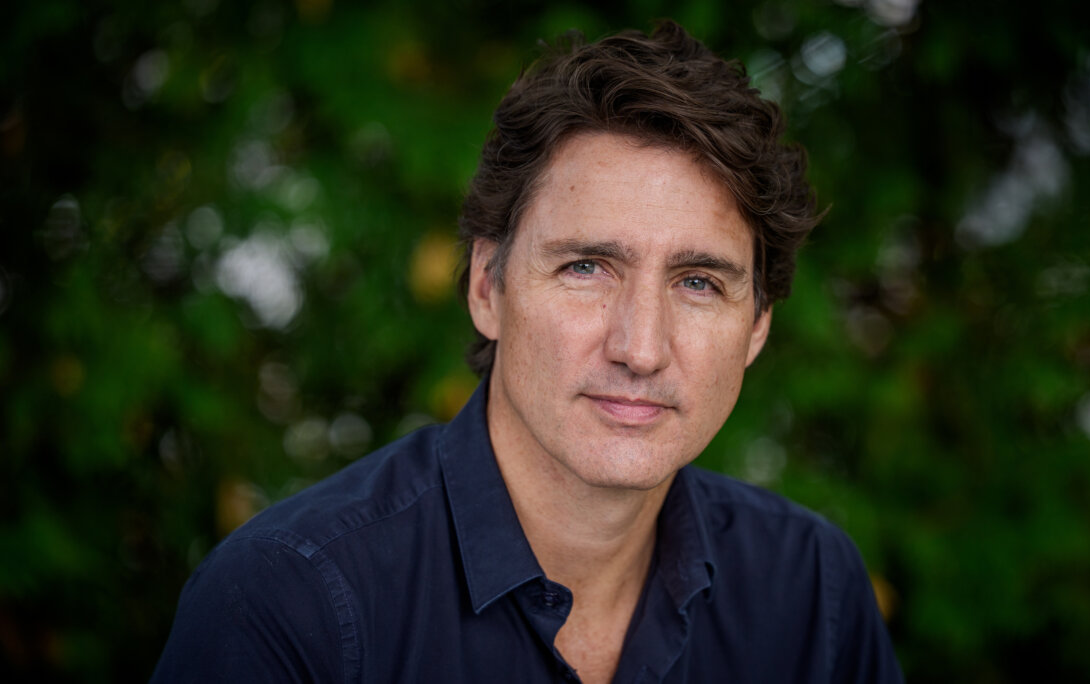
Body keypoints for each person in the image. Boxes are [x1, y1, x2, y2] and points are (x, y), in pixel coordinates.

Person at [152, 21, 903, 684]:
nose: (641, 349)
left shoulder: (812, 596)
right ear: (488, 288)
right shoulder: (289, 605)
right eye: (586, 267)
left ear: (757, 328)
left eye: (699, 282)